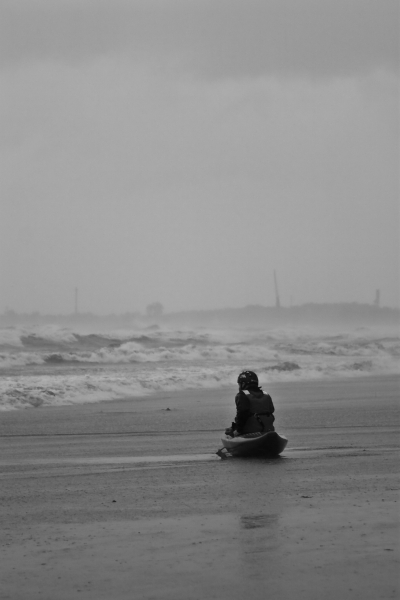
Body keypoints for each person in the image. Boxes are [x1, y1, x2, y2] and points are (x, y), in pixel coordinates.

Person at [224, 371, 275, 437]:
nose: (239, 387)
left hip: (250, 433)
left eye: (239, 384)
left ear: (243, 384)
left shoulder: (242, 395)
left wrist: (237, 430)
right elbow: (271, 410)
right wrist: (233, 427)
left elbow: (242, 415)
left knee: (229, 436)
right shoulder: (266, 395)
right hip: (268, 431)